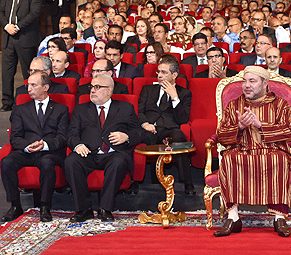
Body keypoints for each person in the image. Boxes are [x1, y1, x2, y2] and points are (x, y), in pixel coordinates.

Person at [213, 66, 291, 237]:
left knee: (278, 159)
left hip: (271, 150)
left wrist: (260, 125)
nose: (246, 85)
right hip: (242, 149)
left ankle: (279, 218)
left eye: (252, 81)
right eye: (244, 81)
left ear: (265, 83)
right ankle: (233, 218)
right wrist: (240, 127)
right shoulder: (234, 105)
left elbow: (289, 132)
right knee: (228, 159)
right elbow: (221, 135)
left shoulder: (280, 104)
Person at [65, 74, 141, 222]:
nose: (93, 90)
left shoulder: (125, 108)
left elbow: (139, 132)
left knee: (119, 161)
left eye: (98, 87)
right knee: (71, 161)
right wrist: (78, 145)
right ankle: (83, 209)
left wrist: (127, 136)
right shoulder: (80, 109)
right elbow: (71, 133)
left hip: (114, 153)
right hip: (88, 153)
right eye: (92, 87)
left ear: (109, 90)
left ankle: (105, 209)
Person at [0, 72, 69, 223]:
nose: (29, 89)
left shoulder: (60, 109)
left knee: (46, 163)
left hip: (49, 152)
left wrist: (44, 145)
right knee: (6, 162)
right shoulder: (20, 109)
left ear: (45, 87)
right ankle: (15, 206)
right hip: (26, 151)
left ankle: (45, 206)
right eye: (28, 85)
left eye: (33, 85)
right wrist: (27, 146)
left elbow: (62, 138)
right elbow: (15, 138)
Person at [138, 55, 195, 194]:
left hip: (169, 129)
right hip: (149, 128)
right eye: (158, 72)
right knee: (133, 137)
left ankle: (187, 183)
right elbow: (139, 111)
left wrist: (175, 98)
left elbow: (182, 119)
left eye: (164, 72)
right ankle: (135, 182)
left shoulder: (184, 93)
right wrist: (145, 123)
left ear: (174, 75)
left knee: (180, 138)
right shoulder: (148, 90)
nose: (159, 75)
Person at [0, 0, 43, 112]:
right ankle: (7, 101)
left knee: (27, 71)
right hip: (8, 38)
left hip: (25, 37)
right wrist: (7, 26)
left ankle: (27, 99)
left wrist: (17, 27)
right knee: (7, 72)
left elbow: (34, 13)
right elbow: (1, 12)